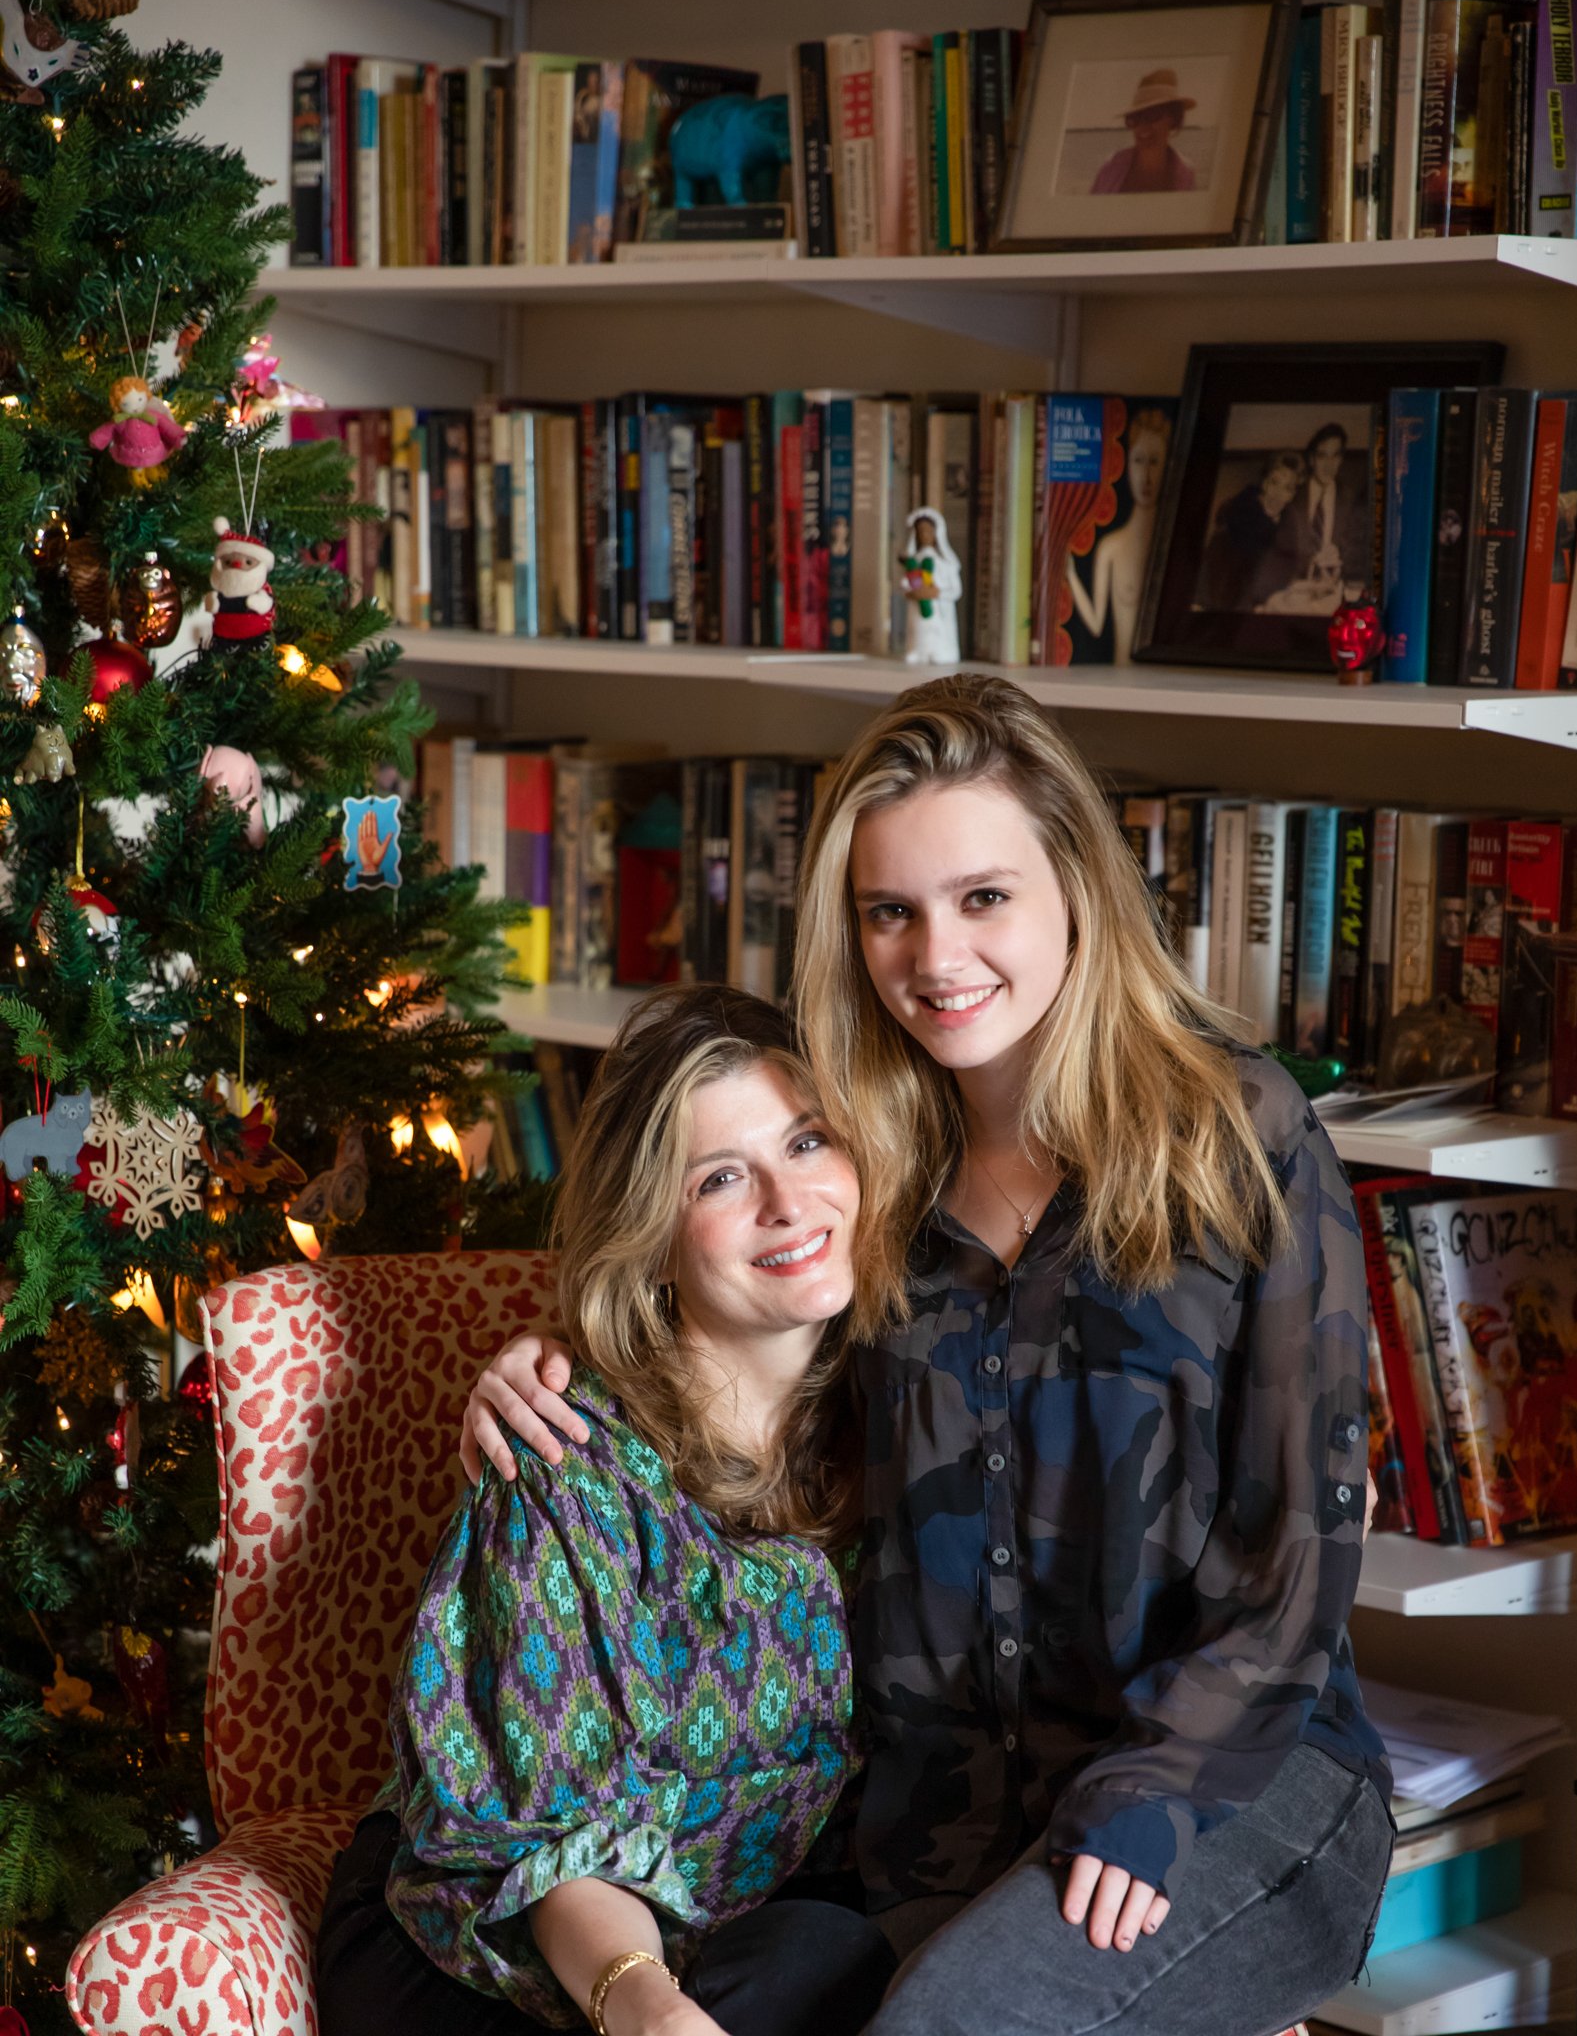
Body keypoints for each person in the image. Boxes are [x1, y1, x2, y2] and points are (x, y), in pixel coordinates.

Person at [465, 677, 1392, 2036]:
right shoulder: (867, 1164)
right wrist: (554, 1354)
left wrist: (1157, 1786)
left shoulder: (1236, 1135)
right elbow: (723, 1312)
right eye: (889, 911)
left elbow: (1303, 1537)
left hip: (1235, 1781)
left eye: (983, 897)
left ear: (1075, 888)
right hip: (948, 1825)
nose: (936, 956)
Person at [317, 986, 897, 2036]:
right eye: (721, 1176)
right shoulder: (561, 1456)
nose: (787, 1200)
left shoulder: (903, 1413)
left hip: (734, 1928)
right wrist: (649, 2006)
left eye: (808, 1140)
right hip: (492, 1938)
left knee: (829, 1957)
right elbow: (545, 1845)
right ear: (652, 1234)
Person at [1063, 405, 1171, 664]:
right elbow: (1095, 624)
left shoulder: (1176, 550)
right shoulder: (1111, 547)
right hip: (1120, 675)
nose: (1146, 477)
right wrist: (1071, 575)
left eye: (1155, 462)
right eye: (1138, 461)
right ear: (1127, 464)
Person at [1252, 421, 1366, 606]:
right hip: (1290, 589)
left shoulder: (1352, 499)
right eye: (1322, 456)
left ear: (1341, 459)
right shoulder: (1291, 490)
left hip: (1331, 591)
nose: (1329, 465)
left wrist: (1340, 556)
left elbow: (1359, 550)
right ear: (1312, 459)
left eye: (1335, 456)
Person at [1197, 449, 1304, 612]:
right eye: (1274, 482)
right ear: (1264, 483)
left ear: (1292, 495)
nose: (1277, 494)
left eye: (1287, 488)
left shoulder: (1288, 520)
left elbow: (1291, 563)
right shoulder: (1240, 513)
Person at [1090, 69, 1197, 195]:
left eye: (1152, 115)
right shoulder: (1111, 168)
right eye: (1135, 118)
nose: (1142, 126)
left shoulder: (1187, 175)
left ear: (1173, 119)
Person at [899, 507, 962, 667]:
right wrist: (912, 593)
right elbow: (905, 585)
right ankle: (917, 651)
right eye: (921, 532)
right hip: (918, 612)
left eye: (928, 531)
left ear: (937, 534)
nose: (925, 535)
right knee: (919, 629)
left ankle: (940, 651)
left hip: (939, 612)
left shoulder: (947, 563)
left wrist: (936, 592)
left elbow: (956, 590)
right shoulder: (914, 561)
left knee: (936, 630)